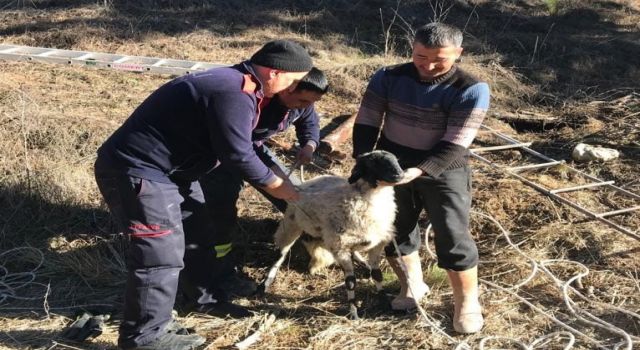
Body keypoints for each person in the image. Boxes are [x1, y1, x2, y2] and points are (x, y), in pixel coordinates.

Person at [94, 40, 313, 350]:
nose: (296, 88)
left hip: (178, 174)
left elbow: (249, 146)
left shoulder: (247, 88)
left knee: (199, 235)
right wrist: (279, 187)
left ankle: (203, 300)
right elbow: (237, 153)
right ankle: (144, 338)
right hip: (138, 172)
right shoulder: (232, 92)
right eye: (294, 80)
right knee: (159, 256)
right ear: (275, 72)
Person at [352, 22, 490, 334]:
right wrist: (364, 158)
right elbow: (368, 118)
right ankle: (412, 285)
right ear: (412, 49)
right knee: (394, 228)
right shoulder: (388, 76)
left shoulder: (471, 88)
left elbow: (458, 140)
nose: (428, 66)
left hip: (444, 167)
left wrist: (421, 170)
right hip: (392, 162)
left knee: (452, 234)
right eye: (420, 56)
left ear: (458, 53)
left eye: (439, 59)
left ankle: (467, 302)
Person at [197, 67, 329, 300]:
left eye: (310, 102)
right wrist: (271, 182)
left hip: (254, 148)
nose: (304, 105)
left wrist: (309, 144)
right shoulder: (253, 100)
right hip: (223, 154)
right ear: (288, 87)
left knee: (296, 196)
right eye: (302, 99)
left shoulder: (303, 102)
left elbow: (309, 122)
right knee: (220, 207)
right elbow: (237, 151)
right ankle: (218, 267)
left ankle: (307, 242)